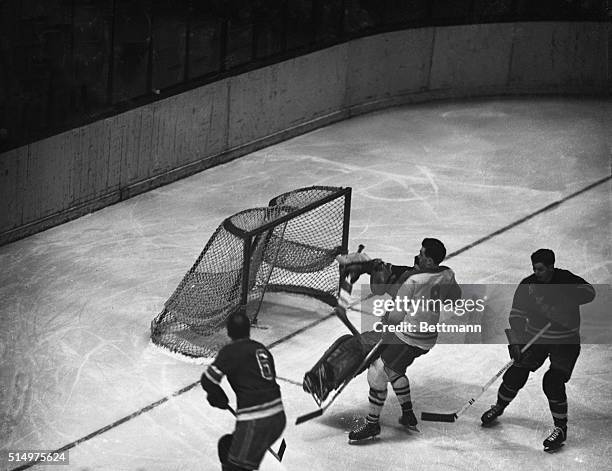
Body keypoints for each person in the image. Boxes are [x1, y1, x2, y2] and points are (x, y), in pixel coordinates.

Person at [339, 238, 461, 441]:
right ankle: (408, 414)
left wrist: (386, 320)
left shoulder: (412, 281)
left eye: (422, 254)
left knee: (377, 374)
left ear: (430, 261)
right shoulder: (447, 273)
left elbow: (396, 317)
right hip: (427, 337)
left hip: (409, 338)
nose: (418, 256)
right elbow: (455, 298)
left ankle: (372, 425)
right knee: (394, 371)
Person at [480, 249, 596, 451]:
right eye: (534, 268)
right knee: (516, 373)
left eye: (541, 269)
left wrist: (565, 296)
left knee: (552, 381)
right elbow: (516, 315)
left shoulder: (565, 278)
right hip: (536, 338)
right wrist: (516, 342)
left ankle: (560, 429)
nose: (536, 272)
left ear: (552, 267)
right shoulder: (528, 284)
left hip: (565, 341)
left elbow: (589, 292)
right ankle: (498, 407)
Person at [200, 309, 286, 470]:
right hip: (278, 418)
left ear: (229, 332)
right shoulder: (261, 349)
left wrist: (218, 397)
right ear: (248, 329)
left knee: (234, 466)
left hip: (255, 421)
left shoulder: (231, 351)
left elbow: (208, 380)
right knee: (227, 446)